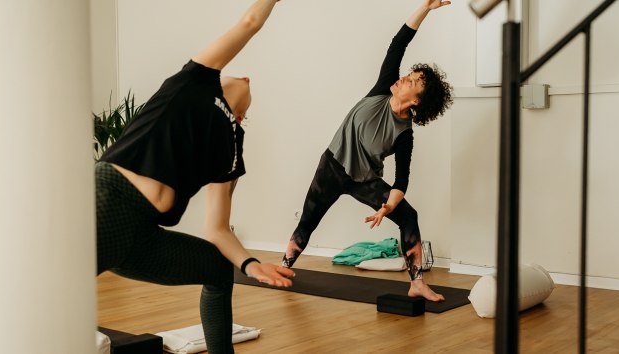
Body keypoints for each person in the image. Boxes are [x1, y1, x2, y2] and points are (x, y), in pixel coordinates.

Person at [95, 0, 293, 352]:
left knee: (217, 269)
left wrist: (249, 265)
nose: (247, 78)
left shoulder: (232, 145)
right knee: (48, 302)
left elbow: (216, 228)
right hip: (108, 204)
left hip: (142, 237)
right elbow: (249, 22)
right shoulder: (193, 81)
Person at [280, 0, 454, 302]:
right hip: (332, 167)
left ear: (416, 101)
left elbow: (401, 182)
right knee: (307, 221)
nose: (404, 78)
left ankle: (417, 283)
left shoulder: (404, 135)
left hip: (365, 181)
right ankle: (283, 268)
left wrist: (387, 207)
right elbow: (398, 43)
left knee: (409, 215)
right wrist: (426, 8)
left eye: (412, 81)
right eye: (410, 74)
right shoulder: (384, 88)